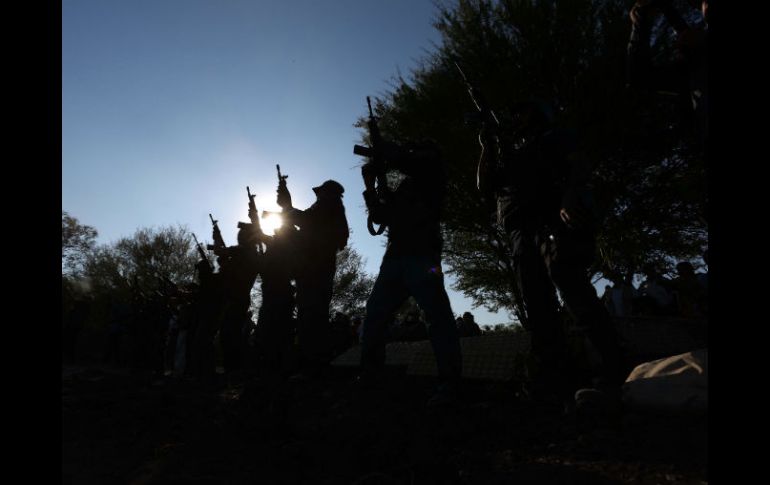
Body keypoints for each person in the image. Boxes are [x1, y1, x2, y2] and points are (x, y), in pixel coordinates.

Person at [476, 100, 626, 409]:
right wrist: (486, 145)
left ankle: (615, 372)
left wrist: (570, 196)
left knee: (570, 285)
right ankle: (557, 377)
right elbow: (485, 185)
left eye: (523, 111)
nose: (516, 117)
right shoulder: (510, 151)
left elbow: (579, 166)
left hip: (551, 217)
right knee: (536, 299)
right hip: (520, 230)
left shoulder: (555, 137)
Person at [357, 135, 462, 407]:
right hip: (395, 258)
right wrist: (371, 184)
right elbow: (381, 216)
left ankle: (450, 382)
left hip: (422, 255)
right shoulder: (406, 183)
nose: (410, 150)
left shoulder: (432, 173)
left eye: (416, 148)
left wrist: (384, 149)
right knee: (374, 317)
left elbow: (409, 161)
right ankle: (370, 377)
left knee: (437, 318)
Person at [278, 178, 349, 375]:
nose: (318, 195)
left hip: (316, 268)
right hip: (312, 267)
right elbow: (305, 224)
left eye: (321, 192)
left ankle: (313, 364)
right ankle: (311, 362)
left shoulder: (330, 205)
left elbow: (306, 221)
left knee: (312, 313)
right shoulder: (327, 207)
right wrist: (287, 205)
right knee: (309, 313)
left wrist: (287, 205)